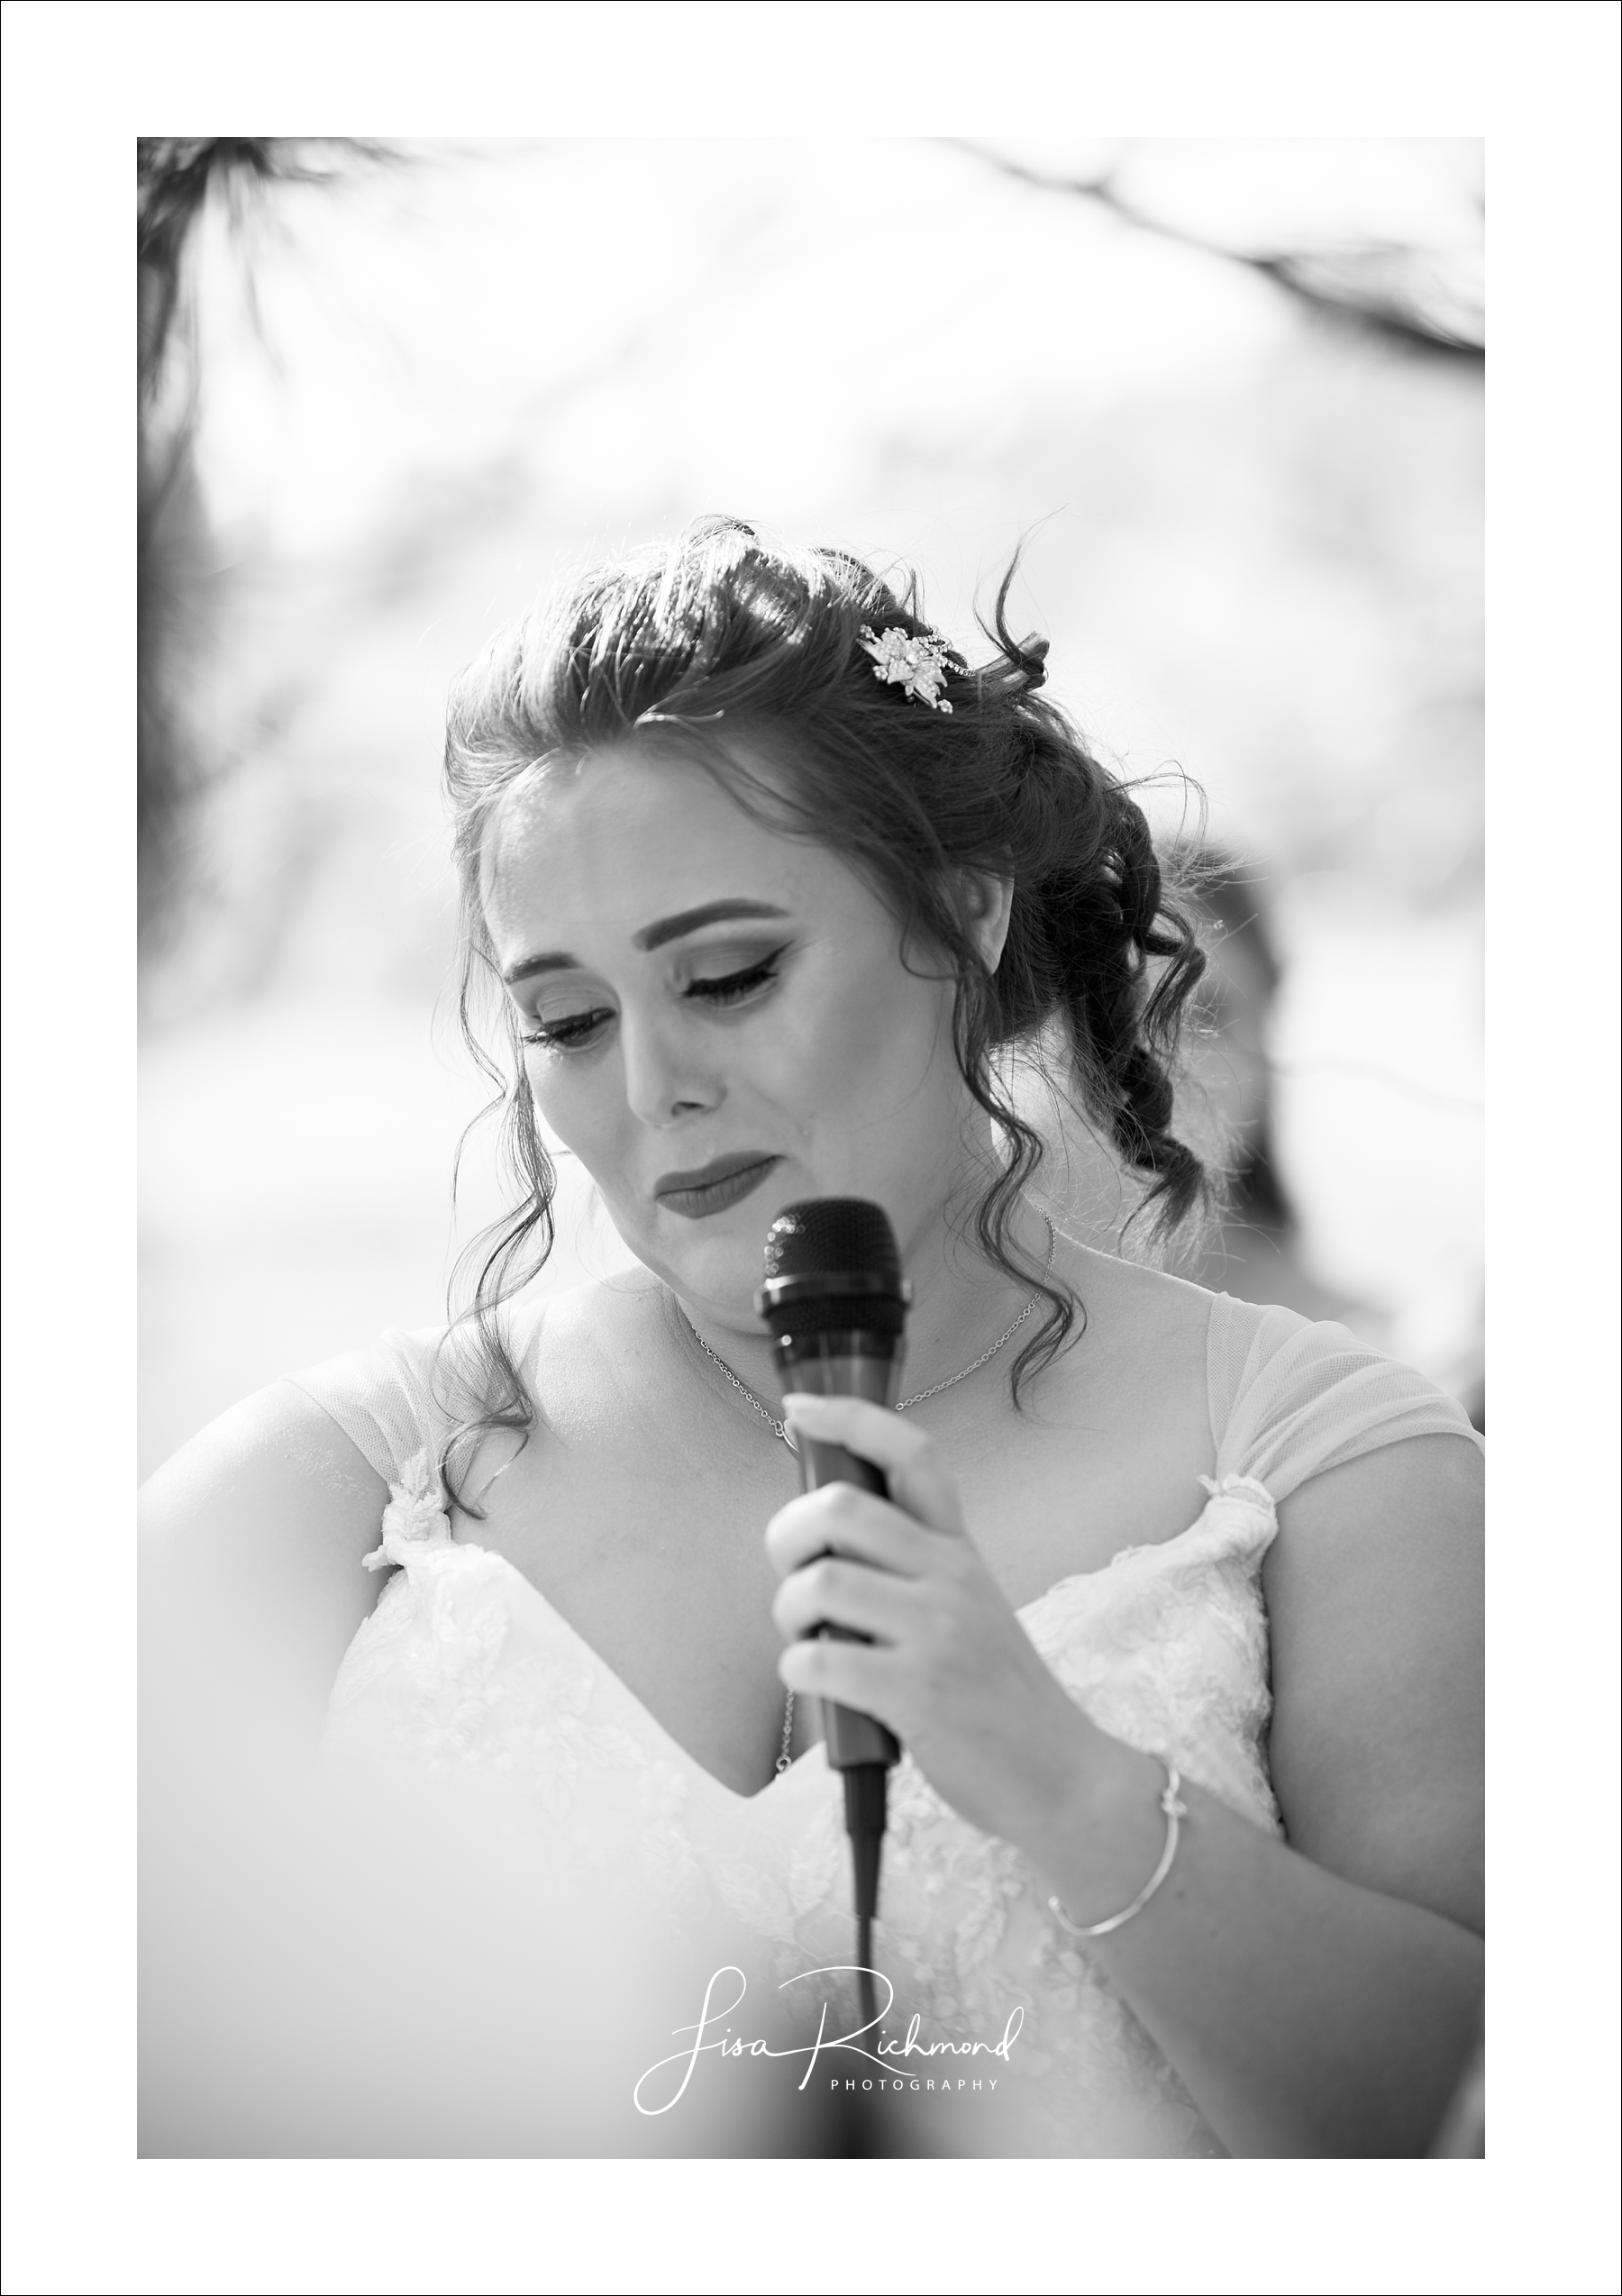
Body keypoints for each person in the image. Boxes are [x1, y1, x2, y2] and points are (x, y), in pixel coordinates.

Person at [138, 518, 1484, 2160]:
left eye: (730, 975)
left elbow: (1465, 2128)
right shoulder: (344, 1483)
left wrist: (1048, 1765)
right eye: (566, 1020)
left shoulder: (1335, 1466)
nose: (651, 1089)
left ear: (966, 913)